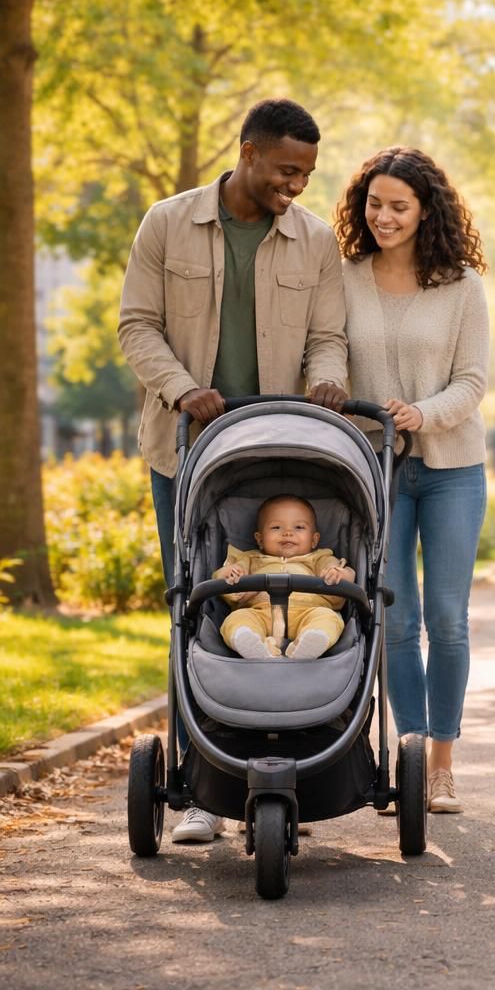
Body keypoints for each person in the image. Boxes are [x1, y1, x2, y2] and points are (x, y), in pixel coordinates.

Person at [118, 97, 347, 845]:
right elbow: (137, 325)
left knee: (295, 602)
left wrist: (327, 381)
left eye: (308, 173)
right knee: (196, 603)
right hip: (186, 449)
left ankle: (290, 768)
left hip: (277, 451)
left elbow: (328, 336)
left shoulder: (314, 241)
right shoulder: (168, 222)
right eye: (287, 169)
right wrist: (185, 388)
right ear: (247, 151)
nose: (298, 185)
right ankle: (199, 788)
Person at [336, 147, 489, 815]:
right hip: (378, 469)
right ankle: (410, 754)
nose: (384, 217)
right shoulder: (343, 279)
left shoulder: (461, 286)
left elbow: (473, 382)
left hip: (453, 469)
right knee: (396, 621)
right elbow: (328, 359)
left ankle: (443, 766)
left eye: (399, 205)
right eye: (374, 204)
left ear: (427, 210)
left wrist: (423, 412)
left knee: (448, 619)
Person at [214, 495, 355, 660]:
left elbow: (345, 573)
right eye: (276, 528)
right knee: (236, 619)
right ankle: (250, 641)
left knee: (328, 618)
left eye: (299, 527)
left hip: (308, 612)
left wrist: (338, 574)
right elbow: (221, 579)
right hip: (259, 612)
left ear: (314, 539)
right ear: (259, 539)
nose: (288, 533)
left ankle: (311, 642)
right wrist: (231, 573)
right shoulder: (249, 559)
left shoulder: (319, 558)